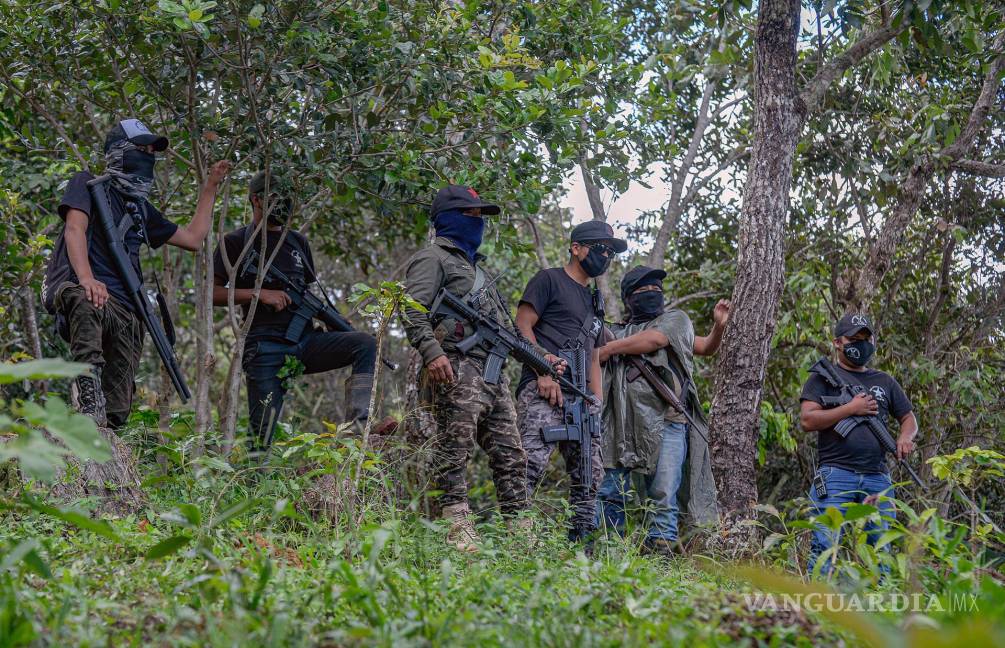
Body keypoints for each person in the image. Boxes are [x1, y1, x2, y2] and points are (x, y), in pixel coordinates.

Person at [47, 118, 231, 427]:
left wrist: (210, 186)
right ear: (119, 152)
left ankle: (109, 442)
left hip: (128, 309)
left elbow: (193, 239)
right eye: (141, 148)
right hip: (91, 294)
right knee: (84, 297)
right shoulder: (87, 184)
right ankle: (88, 396)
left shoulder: (139, 208)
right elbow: (74, 229)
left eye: (151, 150)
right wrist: (87, 277)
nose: (148, 155)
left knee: (118, 411)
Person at [401, 184, 529, 552]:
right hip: (455, 365)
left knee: (511, 453)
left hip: (492, 375)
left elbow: (506, 329)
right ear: (451, 218)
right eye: (472, 215)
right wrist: (431, 351)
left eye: (480, 216)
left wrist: (539, 357)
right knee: (454, 448)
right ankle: (455, 523)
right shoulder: (433, 258)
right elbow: (412, 308)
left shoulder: (479, 273)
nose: (478, 223)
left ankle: (521, 528)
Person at [212, 171, 376, 454]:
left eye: (287, 197)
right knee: (262, 436)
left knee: (364, 344)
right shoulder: (236, 242)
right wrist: (258, 293)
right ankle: (254, 483)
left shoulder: (298, 242)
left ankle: (359, 429)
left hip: (306, 341)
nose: (283, 203)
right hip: (265, 346)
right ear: (256, 199)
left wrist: (335, 319)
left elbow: (308, 296)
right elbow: (210, 293)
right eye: (276, 197)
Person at [596, 265, 725, 556]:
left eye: (656, 290)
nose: (651, 294)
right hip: (621, 425)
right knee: (610, 491)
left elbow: (659, 341)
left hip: (668, 423)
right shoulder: (618, 330)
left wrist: (718, 326)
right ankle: (608, 553)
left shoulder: (675, 321)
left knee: (663, 493)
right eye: (642, 291)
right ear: (628, 298)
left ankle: (660, 556)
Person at [516, 220, 626, 546]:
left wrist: (596, 400)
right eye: (599, 248)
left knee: (589, 477)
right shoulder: (548, 280)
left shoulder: (595, 302)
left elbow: (593, 355)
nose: (605, 255)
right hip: (543, 390)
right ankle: (514, 539)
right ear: (576, 248)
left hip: (581, 399)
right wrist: (542, 371)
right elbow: (521, 327)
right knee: (528, 467)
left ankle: (580, 546)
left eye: (609, 251)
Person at [800, 313, 918, 576]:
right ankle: (815, 606)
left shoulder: (884, 380)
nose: (862, 344)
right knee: (824, 545)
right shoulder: (823, 377)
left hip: (878, 477)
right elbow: (808, 420)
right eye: (855, 339)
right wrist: (850, 408)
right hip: (835, 475)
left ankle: (882, 609)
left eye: (866, 338)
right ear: (838, 343)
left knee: (881, 550)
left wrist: (905, 437)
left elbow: (908, 417)